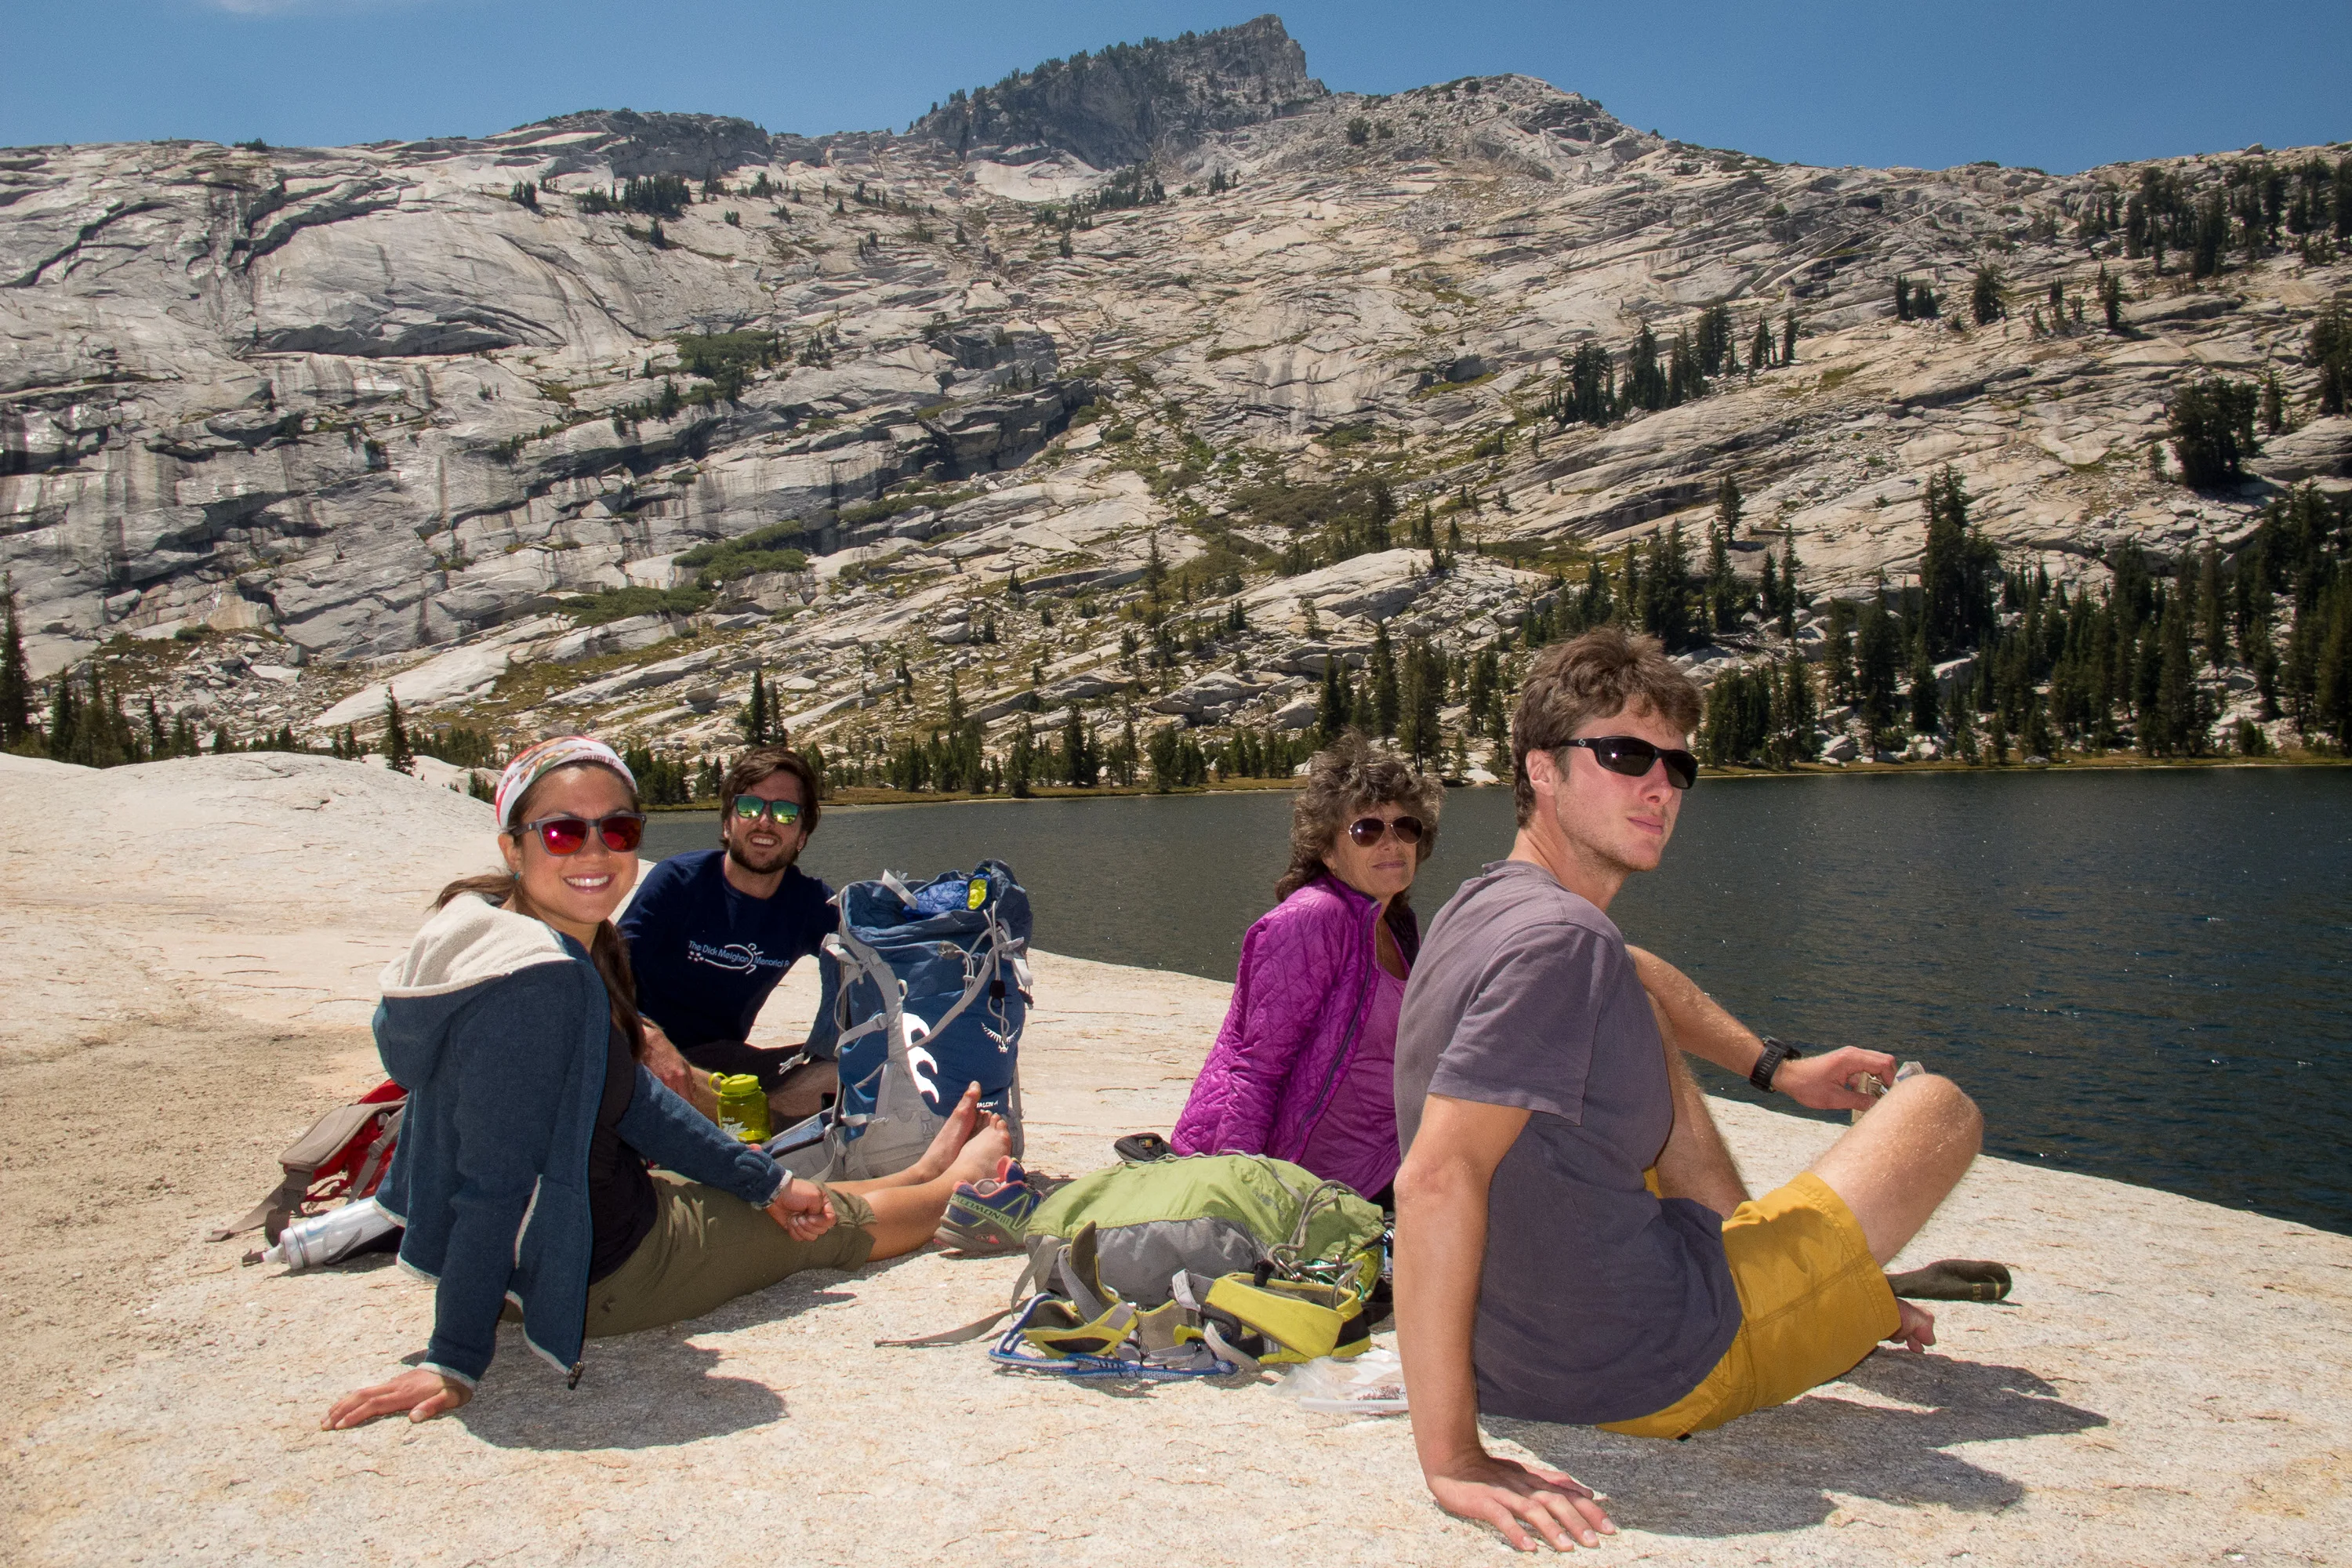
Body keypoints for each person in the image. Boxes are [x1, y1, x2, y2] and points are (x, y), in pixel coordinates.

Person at [1392, 629, 1984, 1552]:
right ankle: (1813, 1294)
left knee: (1628, 1007)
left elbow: (1630, 969)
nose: (1660, 786)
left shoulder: (1491, 904)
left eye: (1677, 765)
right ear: (1541, 770)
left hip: (1520, 1355)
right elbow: (1435, 1178)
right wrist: (1452, 1457)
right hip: (1654, 1365)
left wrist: (1775, 1067)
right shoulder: (1563, 943)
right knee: (1940, 1107)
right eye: (1625, 755)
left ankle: (1804, 1280)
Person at [324, 736, 1008, 1428]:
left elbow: (633, 1104)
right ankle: (956, 1185)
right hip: (600, 1269)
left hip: (593, 1215)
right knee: (827, 1229)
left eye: (617, 830)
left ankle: (919, 1169)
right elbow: (492, 1184)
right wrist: (455, 1358)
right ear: (513, 845)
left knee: (778, 1193)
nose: (594, 853)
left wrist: (764, 1182)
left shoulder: (499, 936)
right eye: (563, 831)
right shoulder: (540, 985)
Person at [1170, 732, 1443, 1203]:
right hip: (1326, 1180)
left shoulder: (1396, 922)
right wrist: (1240, 1200)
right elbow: (1256, 1069)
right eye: (1368, 830)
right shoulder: (1313, 918)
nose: (1392, 843)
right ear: (1328, 849)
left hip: (1396, 1154)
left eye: (1406, 827)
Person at [620, 744, 839, 1120]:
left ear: (802, 836)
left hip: (727, 1061)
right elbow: (608, 971)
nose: (766, 822)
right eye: (750, 808)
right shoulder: (678, 883)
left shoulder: (808, 904)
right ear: (727, 822)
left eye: (786, 813)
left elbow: (876, 949)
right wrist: (646, 1038)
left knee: (846, 1070)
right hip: (642, 1053)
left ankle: (748, 1118)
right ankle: (750, 1121)